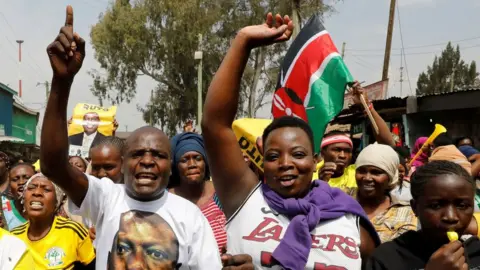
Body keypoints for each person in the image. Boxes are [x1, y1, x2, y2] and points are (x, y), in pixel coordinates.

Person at [40, 6, 221, 268]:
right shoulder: (106, 198)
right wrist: (61, 81)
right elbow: (52, 166)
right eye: (137, 154)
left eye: (158, 155)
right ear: (123, 163)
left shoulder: (191, 218)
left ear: (171, 167)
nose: (147, 161)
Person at [202, 13, 379, 269]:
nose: (285, 163)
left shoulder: (350, 218)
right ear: (262, 161)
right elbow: (214, 124)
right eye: (273, 156)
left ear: (316, 159)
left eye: (297, 154)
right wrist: (243, 41)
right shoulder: (245, 199)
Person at [365, 161, 480, 270]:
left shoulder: (476, 250)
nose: (451, 217)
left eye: (462, 206)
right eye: (436, 206)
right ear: (415, 207)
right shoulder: (387, 258)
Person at [11, 173, 96, 269]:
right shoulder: (13, 237)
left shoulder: (73, 232)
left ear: (57, 201)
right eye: (31, 188)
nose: (37, 192)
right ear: (23, 198)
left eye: (46, 189)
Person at [318, 96, 394, 196]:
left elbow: (387, 146)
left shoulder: (357, 173)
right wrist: (321, 183)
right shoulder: (310, 175)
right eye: (336, 150)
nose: (342, 155)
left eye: (347, 151)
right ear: (323, 152)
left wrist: (368, 107)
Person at [168, 132, 227, 253]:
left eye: (197, 158)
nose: (192, 165)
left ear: (205, 162)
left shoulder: (222, 195)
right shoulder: (167, 200)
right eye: (184, 160)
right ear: (176, 167)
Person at [355, 144, 417, 243]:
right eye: (361, 171)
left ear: (390, 177)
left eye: (376, 172)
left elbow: (400, 252)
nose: (367, 178)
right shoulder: (340, 201)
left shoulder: (405, 212)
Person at [1, 163, 35, 231]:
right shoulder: (3, 208)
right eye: (15, 179)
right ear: (9, 186)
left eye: (27, 178)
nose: (21, 182)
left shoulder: (51, 208)